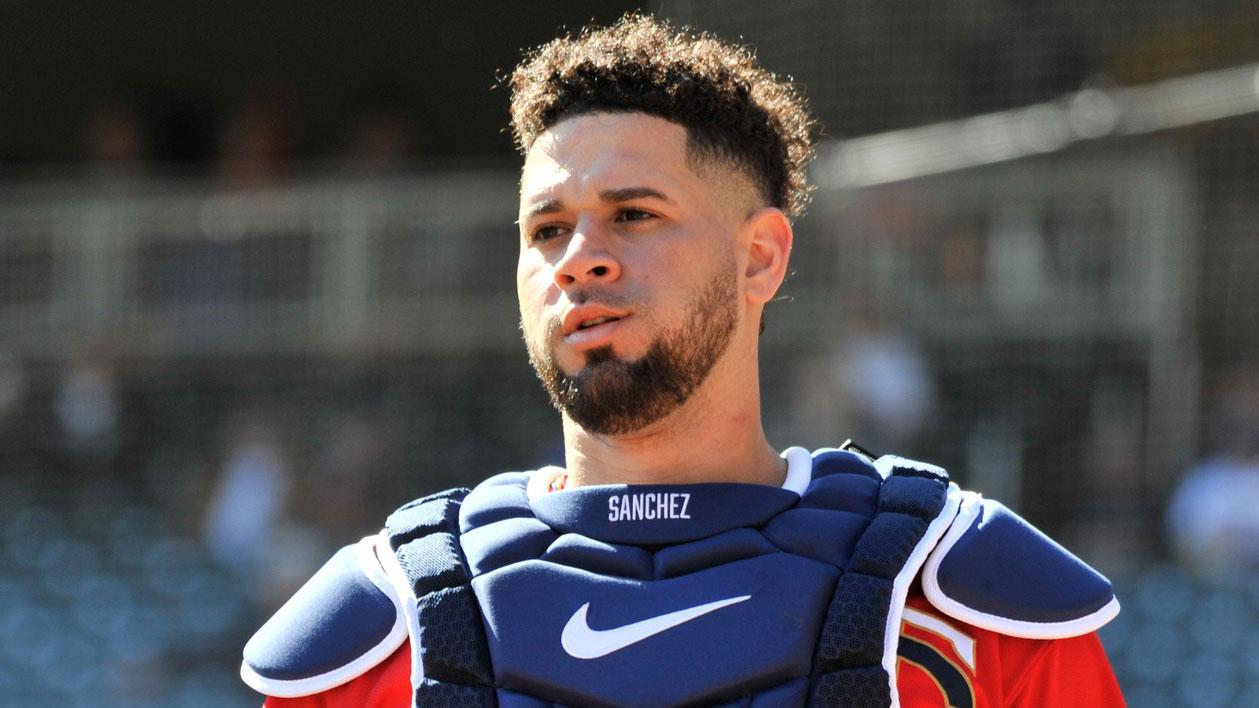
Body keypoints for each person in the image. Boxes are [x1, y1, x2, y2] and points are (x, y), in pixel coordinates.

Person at [240, 15, 1123, 707]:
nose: (577, 258)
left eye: (634, 214)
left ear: (760, 258)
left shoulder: (966, 599)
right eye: (547, 229)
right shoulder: (388, 627)